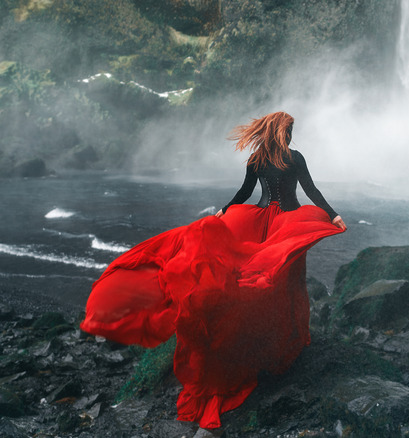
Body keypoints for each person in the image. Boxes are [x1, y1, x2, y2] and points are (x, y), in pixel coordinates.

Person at [80, 111, 346, 429]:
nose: (290, 135)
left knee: (251, 274)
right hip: (288, 222)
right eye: (289, 130)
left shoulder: (256, 158)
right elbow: (310, 192)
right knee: (286, 278)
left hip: (256, 218)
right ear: (283, 132)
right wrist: (332, 215)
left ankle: (266, 335)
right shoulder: (295, 157)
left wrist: (224, 210)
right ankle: (290, 338)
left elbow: (246, 193)